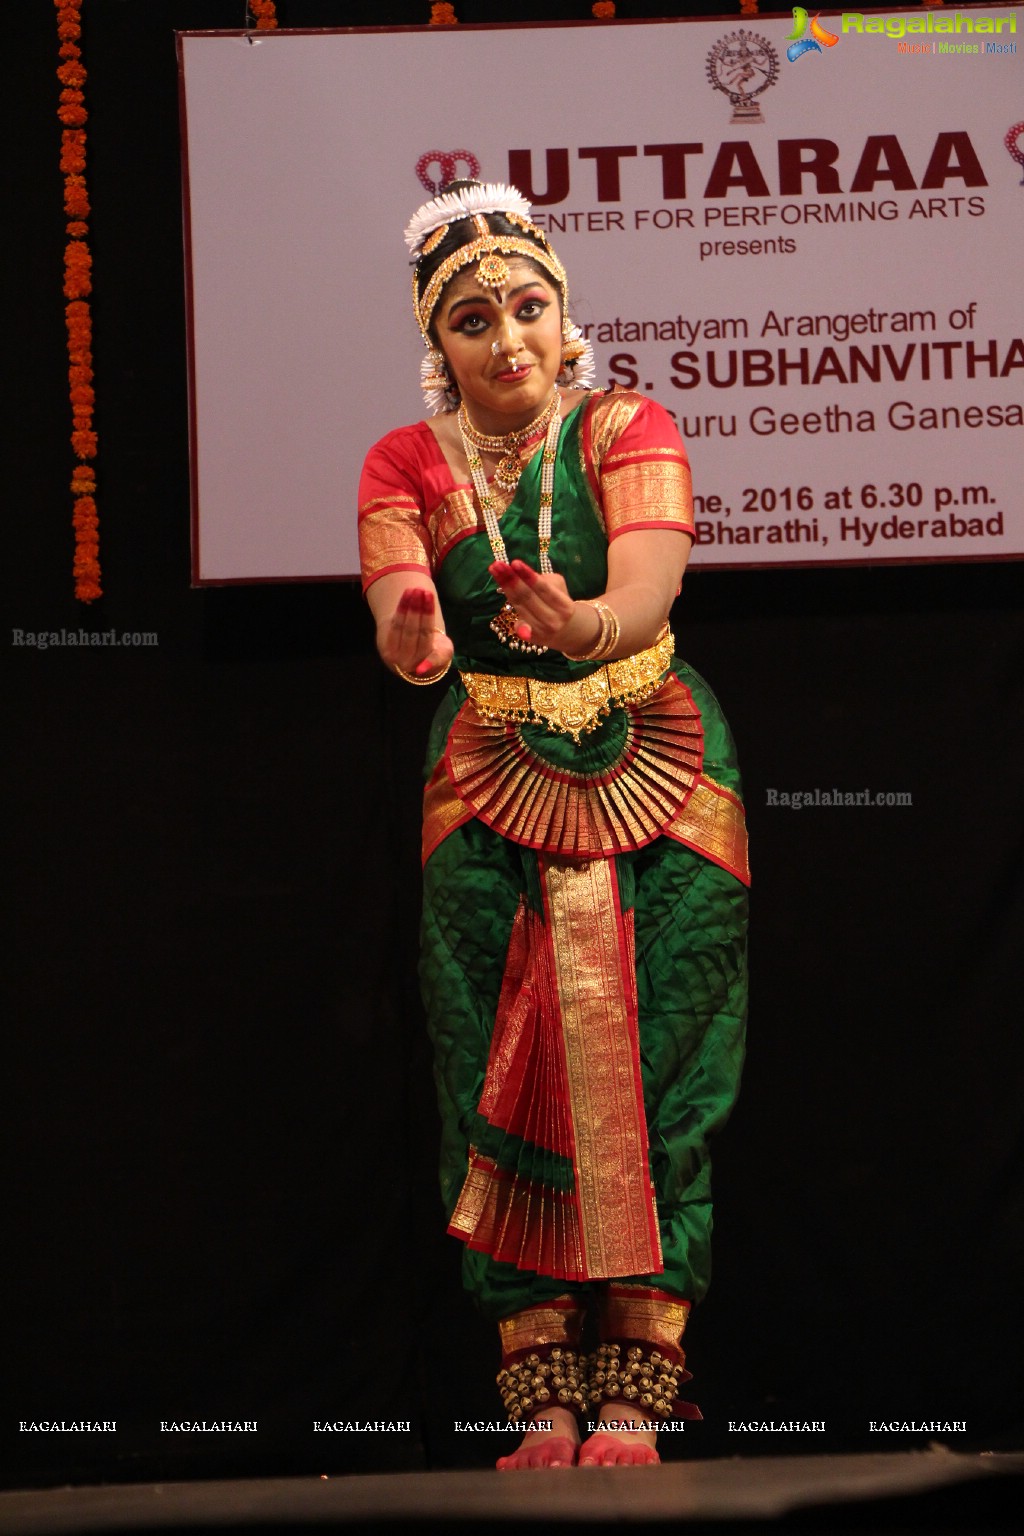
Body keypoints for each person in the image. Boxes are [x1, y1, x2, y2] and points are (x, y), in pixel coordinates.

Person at [358, 182, 749, 1469]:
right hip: (484, 772)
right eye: (472, 320)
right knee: (486, 1056)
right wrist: (413, 630)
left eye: (529, 308)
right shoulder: (407, 462)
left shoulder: (628, 426)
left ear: (565, 319)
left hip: (659, 762)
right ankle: (541, 1397)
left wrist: (586, 625)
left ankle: (638, 1387)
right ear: (441, 345)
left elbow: (644, 583)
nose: (507, 337)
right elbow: (400, 596)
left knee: (664, 1055)